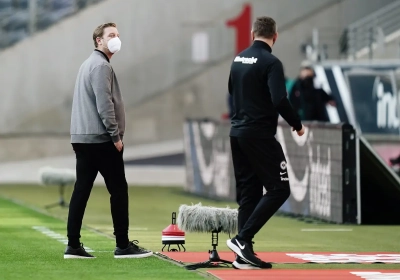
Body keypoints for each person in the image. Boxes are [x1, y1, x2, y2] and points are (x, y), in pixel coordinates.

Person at [65, 22, 152, 259]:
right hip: (101, 139)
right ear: (98, 41)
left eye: (118, 35)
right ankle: (123, 245)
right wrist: (115, 136)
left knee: (81, 190)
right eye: (111, 35)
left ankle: (73, 245)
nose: (116, 38)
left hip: (82, 138)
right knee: (119, 191)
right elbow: (105, 105)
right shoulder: (101, 66)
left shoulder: (87, 64)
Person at [226, 16, 305, 269]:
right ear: (275, 36)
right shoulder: (272, 62)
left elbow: (231, 90)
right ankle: (242, 239)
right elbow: (279, 99)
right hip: (258, 134)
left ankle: (243, 256)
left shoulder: (238, 59)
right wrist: (297, 123)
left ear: (252, 34)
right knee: (279, 189)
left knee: (249, 194)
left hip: (236, 133)